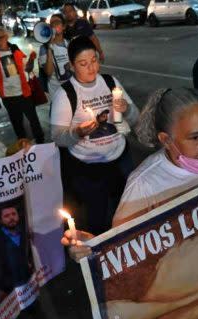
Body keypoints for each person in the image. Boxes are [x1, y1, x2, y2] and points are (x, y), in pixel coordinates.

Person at [62, 87, 198, 260]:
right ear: (166, 140)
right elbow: (123, 253)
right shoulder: (144, 185)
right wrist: (92, 247)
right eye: (196, 137)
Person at [50, 35, 138, 234]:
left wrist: (127, 109)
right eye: (83, 63)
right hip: (89, 170)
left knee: (128, 209)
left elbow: (134, 117)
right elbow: (57, 137)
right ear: (72, 65)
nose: (91, 68)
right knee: (98, 216)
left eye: (94, 60)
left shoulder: (110, 82)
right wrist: (77, 132)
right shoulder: (66, 94)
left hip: (121, 160)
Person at [0, 26, 45, 144]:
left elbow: (28, 68)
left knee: (33, 121)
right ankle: (23, 146)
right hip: (8, 97)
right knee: (17, 124)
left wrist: (32, 59)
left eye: (1, 37)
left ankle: (41, 144)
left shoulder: (15, 50)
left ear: (6, 36)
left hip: (24, 92)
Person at [0, 205, 34, 302]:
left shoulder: (26, 233)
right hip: (9, 290)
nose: (11, 218)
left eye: (13, 214)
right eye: (6, 216)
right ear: (1, 220)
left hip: (29, 284)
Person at [38, 13, 72, 95]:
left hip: (71, 87)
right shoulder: (44, 48)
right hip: (55, 91)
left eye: (57, 22)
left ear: (63, 26)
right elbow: (49, 72)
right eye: (51, 23)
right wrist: (50, 47)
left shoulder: (70, 43)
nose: (53, 25)